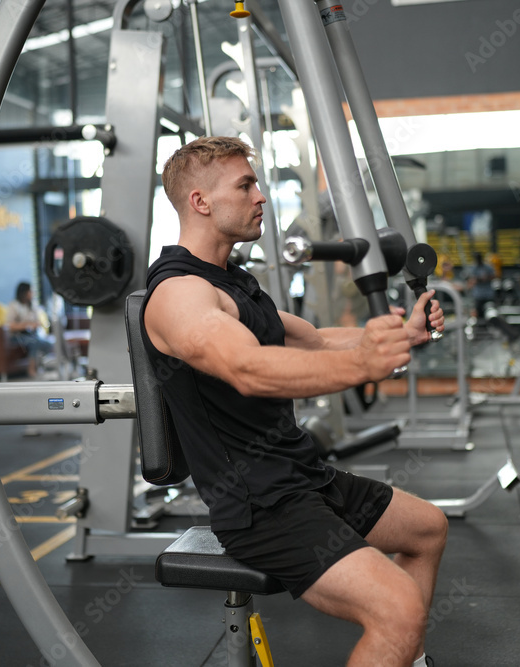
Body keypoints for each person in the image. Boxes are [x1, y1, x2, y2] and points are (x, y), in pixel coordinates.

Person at [142, 136, 448, 667]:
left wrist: (405, 334)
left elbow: (317, 340)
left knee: (427, 528)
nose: (260, 196)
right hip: (259, 506)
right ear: (200, 201)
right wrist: (365, 365)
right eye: (245, 185)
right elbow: (246, 369)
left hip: (301, 478)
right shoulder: (179, 293)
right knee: (398, 609)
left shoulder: (233, 283)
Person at [5, 282, 53, 378]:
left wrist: (36, 324)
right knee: (34, 343)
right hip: (17, 336)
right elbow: (9, 325)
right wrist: (26, 325)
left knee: (48, 344)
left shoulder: (32, 305)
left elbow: (37, 321)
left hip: (31, 334)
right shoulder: (14, 305)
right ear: (24, 292)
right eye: (31, 291)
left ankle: (41, 366)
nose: (33, 293)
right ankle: (31, 370)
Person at [466, 252, 496, 320]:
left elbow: (493, 276)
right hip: (478, 294)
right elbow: (470, 279)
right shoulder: (473, 268)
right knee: (478, 312)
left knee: (490, 311)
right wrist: (478, 279)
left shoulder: (487, 267)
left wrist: (486, 278)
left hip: (488, 293)